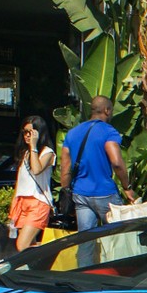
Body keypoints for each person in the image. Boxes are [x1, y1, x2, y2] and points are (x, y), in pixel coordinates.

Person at [59, 95, 135, 232]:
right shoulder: (109, 132)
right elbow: (117, 163)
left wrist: (66, 192)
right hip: (105, 193)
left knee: (85, 239)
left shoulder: (72, 133)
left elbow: (65, 168)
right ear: (107, 110)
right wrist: (127, 187)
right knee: (117, 238)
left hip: (81, 194)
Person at [8, 115, 55, 251]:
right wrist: (14, 202)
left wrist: (34, 146)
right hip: (22, 201)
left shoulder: (47, 152)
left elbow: (36, 169)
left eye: (30, 132)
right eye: (24, 132)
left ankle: (51, 252)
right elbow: (20, 180)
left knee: (22, 245)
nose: (27, 136)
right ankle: (35, 269)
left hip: (38, 202)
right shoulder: (25, 153)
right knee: (29, 244)